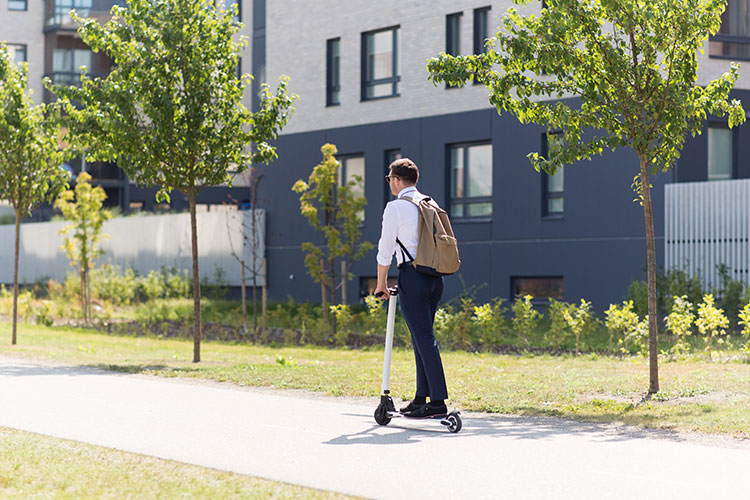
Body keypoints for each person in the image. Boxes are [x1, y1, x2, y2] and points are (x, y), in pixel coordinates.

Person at [374, 158, 449, 418]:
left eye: (389, 179)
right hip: (435, 278)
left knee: (425, 339)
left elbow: (385, 251)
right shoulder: (430, 203)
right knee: (422, 337)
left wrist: (381, 284)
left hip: (412, 277)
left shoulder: (395, 208)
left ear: (396, 180)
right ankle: (421, 398)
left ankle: (438, 402)